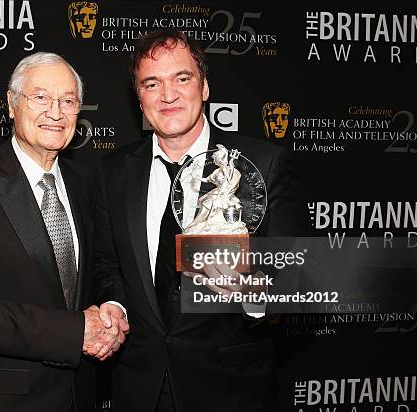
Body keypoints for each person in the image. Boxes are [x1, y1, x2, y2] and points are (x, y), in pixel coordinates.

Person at [94, 29, 301, 411]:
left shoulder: (262, 165)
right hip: (138, 387)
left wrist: (252, 294)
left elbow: (295, 279)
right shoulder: (114, 171)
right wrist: (115, 306)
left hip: (230, 389)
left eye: (182, 78)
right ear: (139, 98)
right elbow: (108, 263)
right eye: (151, 83)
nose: (167, 95)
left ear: (205, 87)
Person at [0, 52, 127, 412]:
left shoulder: (86, 183)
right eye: (40, 97)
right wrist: (74, 332)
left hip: (80, 394)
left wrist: (112, 309)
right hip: (3, 399)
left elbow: (102, 267)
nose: (55, 112)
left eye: (68, 101)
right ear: (11, 104)